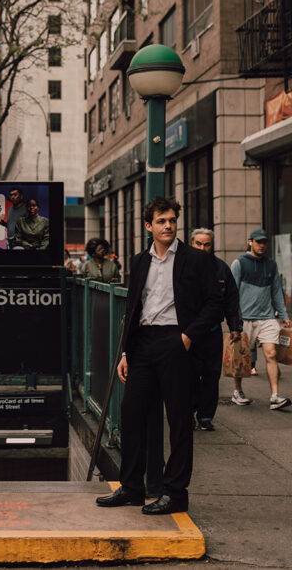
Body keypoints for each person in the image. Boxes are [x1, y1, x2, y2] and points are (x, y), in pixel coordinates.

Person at [95, 196, 222, 515]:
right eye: (161, 221)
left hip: (176, 341)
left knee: (179, 420)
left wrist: (188, 336)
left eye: (172, 220)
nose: (168, 226)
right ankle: (132, 488)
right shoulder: (139, 262)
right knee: (131, 412)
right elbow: (133, 308)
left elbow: (214, 304)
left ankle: (175, 493)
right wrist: (126, 351)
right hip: (143, 344)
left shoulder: (196, 259)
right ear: (149, 226)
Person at [188, 228, 243, 430]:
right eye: (198, 244)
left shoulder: (221, 268)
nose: (203, 248)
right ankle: (189, 412)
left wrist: (235, 326)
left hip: (212, 332)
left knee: (211, 375)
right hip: (189, 332)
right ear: (192, 244)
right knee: (189, 374)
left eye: (207, 244)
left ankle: (205, 416)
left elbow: (231, 298)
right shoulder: (182, 267)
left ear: (212, 246)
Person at [231, 228, 292, 410]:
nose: (262, 245)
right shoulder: (239, 264)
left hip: (267, 318)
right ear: (250, 242)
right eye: (258, 242)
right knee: (242, 359)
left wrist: (284, 315)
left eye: (264, 242)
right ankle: (237, 391)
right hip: (245, 319)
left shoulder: (271, 265)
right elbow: (231, 293)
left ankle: (275, 396)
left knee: (271, 354)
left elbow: (276, 292)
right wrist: (234, 320)